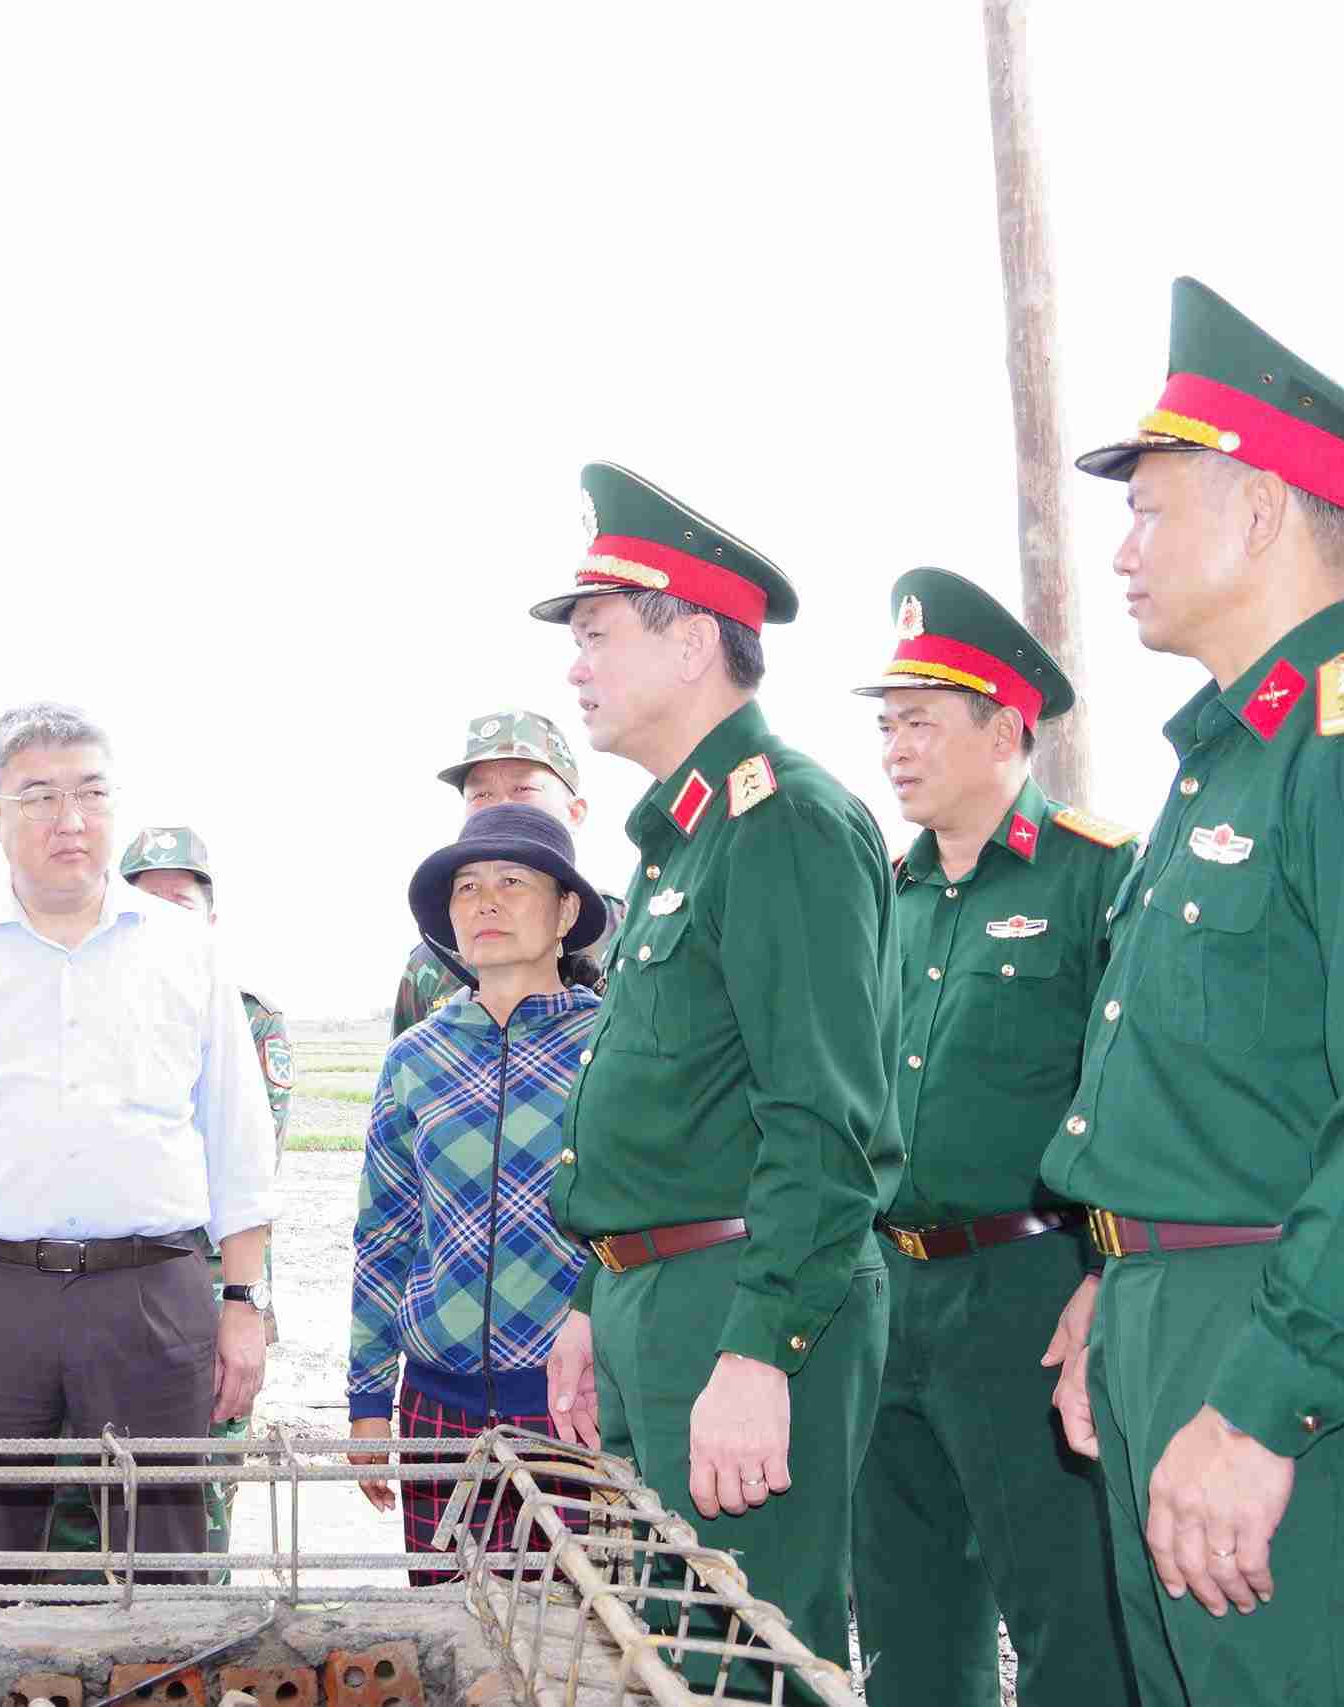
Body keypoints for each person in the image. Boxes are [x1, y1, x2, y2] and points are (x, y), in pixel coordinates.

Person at [1038, 276, 1344, 1706]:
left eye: (1151, 505)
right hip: (1174, 1311)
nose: (1122, 544)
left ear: (1256, 513)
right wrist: (1111, 1287)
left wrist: (1263, 1406)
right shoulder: (1233, 759)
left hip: (1293, 1332)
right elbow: (1205, 1084)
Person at [533, 463, 900, 1682]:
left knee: (744, 1660)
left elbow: (823, 1116)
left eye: (595, 635)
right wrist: (595, 1297)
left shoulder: (781, 819)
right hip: (661, 1295)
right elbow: (674, 1106)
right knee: (665, 1656)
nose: (575, 665)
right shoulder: (684, 836)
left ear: (691, 641)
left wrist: (761, 1350)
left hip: (741, 1295)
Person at [0, 704, 278, 1586]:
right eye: (40, 796)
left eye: (91, 792)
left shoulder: (186, 950)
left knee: (164, 1562)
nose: (71, 818)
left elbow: (237, 1137)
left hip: (150, 1291)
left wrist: (243, 1302)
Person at [847, 569, 1139, 1707]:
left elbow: (1140, 1101)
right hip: (890, 1290)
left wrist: (1111, 1273)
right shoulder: (885, 894)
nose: (893, 749)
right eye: (885, 726)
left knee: (1069, 1615)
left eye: (919, 721)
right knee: (907, 1625)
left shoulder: (1099, 873)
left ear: (1004, 726)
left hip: (1031, 1288)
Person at [348, 802, 605, 1584]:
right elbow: (384, 1234)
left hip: (570, 1406)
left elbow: (646, 1225)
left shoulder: (613, 1045)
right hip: (437, 1409)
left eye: (512, 881)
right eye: (466, 887)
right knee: (449, 1634)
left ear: (566, 911)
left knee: (579, 1646)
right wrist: (367, 1397)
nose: (484, 901)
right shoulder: (414, 1059)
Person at [42, 824, 291, 1577]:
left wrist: (240, 1310)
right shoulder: (67, 1011)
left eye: (181, 905)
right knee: (73, 1520)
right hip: (77, 1305)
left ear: (209, 919)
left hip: (197, 1301)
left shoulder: (245, 1017)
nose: (162, 920)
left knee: (185, 1524)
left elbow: (243, 1176)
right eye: (145, 902)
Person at [388, 712, 621, 1036]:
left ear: (575, 811)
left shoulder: (630, 933)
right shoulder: (432, 963)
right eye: (481, 795)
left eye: (523, 788)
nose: (500, 807)